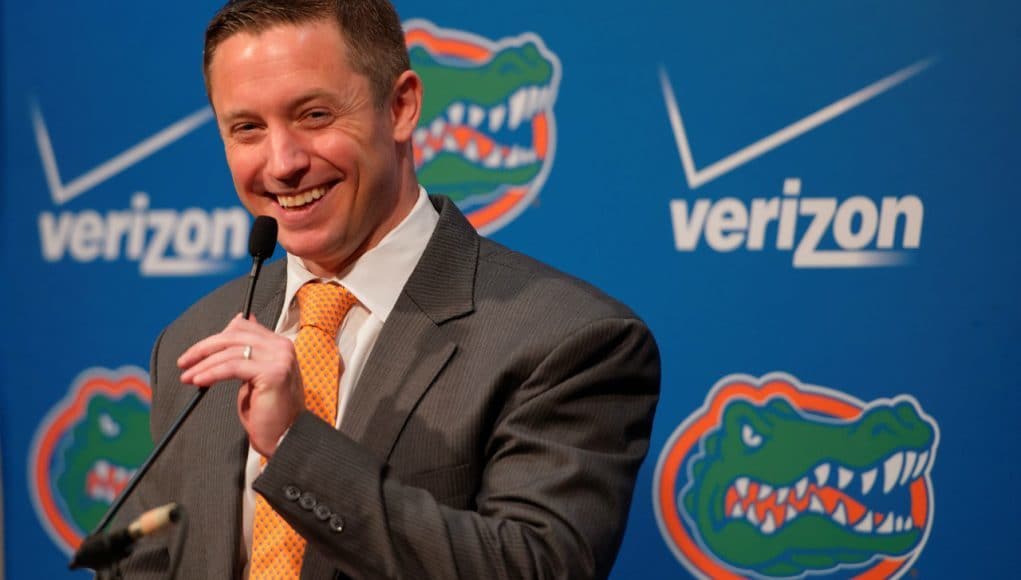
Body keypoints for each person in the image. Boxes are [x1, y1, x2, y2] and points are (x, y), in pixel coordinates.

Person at [119, 0, 659, 578]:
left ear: (401, 107)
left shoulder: (569, 340)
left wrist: (297, 448)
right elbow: (145, 562)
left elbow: (533, 568)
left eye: (314, 115)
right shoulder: (198, 337)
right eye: (247, 128)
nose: (282, 163)